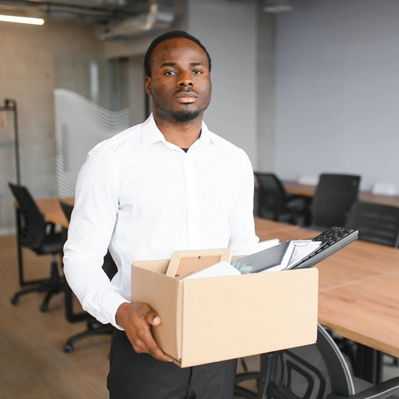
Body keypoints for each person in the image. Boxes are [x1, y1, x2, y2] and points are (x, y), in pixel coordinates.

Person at [63, 30, 259, 399]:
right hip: (144, 338)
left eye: (197, 70)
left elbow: (243, 245)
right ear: (150, 84)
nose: (186, 79)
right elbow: (80, 257)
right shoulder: (110, 160)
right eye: (170, 71)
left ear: (208, 81)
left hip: (217, 338)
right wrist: (119, 311)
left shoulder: (234, 160)